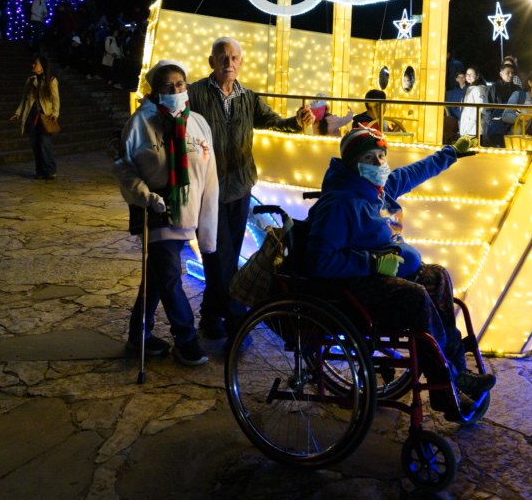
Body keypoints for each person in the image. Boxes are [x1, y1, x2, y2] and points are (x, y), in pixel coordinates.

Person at [307, 126, 496, 417]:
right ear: (352, 164)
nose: (380, 164)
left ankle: (456, 369)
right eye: (370, 158)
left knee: (438, 275)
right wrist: (370, 262)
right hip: (356, 286)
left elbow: (413, 173)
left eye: (382, 155)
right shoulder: (340, 202)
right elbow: (319, 261)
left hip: (385, 277)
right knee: (416, 296)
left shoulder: (377, 189)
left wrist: (452, 153)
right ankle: (446, 382)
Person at [187, 37, 313, 339]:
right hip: (208, 189)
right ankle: (234, 319)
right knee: (217, 255)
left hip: (241, 185)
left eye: (234, 58)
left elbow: (273, 122)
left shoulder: (248, 98)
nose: (229, 63)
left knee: (224, 257)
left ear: (240, 63)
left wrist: (296, 122)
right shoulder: (196, 94)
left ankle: (210, 316)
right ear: (212, 62)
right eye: (223, 58)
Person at [113, 59, 220, 366]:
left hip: (187, 212)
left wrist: (207, 228)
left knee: (158, 278)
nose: (175, 90)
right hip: (156, 212)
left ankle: (139, 334)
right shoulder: (142, 121)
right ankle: (186, 338)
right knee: (171, 275)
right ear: (155, 90)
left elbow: (209, 176)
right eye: (167, 85)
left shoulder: (197, 122)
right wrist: (145, 196)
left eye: (180, 84)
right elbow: (124, 166)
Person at [11, 55, 61, 179]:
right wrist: (18, 113)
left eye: (36, 64)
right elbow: (25, 98)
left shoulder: (51, 80)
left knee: (45, 143)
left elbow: (55, 98)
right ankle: (39, 170)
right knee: (35, 144)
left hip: (45, 115)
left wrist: (55, 113)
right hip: (31, 115)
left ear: (43, 67)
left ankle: (49, 169)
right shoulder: (30, 80)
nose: (33, 66)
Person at [482, 58, 525, 146]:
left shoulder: (517, 89)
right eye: (508, 73)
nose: (510, 75)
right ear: (501, 74)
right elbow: (487, 108)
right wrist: (492, 122)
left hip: (514, 125)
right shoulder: (494, 88)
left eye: (512, 73)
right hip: (499, 126)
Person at [458, 66, 487, 139]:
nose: (468, 77)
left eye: (471, 74)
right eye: (467, 74)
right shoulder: (470, 88)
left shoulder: (479, 89)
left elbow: (480, 108)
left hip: (474, 128)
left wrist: (470, 124)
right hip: (468, 127)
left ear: (477, 76)